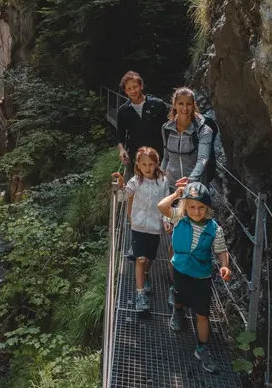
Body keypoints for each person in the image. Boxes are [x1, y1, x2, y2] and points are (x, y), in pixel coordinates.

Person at [157, 181, 231, 374]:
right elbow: (161, 207)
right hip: (180, 270)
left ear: (207, 208)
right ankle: (178, 311)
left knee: (202, 313)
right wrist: (176, 194)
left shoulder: (215, 229)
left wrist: (224, 266)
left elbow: (221, 250)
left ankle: (202, 347)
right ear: (185, 206)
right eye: (191, 207)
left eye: (200, 207)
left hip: (201, 277)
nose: (196, 211)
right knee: (179, 295)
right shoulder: (179, 218)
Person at [160, 87, 214, 304]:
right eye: (180, 104)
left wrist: (191, 180)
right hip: (173, 189)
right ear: (174, 105)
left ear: (194, 105)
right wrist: (160, 182)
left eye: (188, 104)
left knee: (196, 239)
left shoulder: (204, 130)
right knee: (174, 237)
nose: (184, 108)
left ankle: (196, 282)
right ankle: (176, 287)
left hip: (194, 193)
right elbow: (166, 157)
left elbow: (203, 159)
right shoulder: (166, 128)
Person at [112, 147, 169, 313]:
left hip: (155, 227)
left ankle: (145, 275)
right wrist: (121, 185)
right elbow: (122, 197)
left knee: (150, 258)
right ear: (138, 164)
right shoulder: (136, 181)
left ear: (157, 164)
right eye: (143, 164)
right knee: (141, 258)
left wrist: (166, 221)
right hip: (138, 226)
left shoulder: (163, 181)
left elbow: (166, 203)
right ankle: (140, 293)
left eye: (151, 164)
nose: (147, 168)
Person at [116, 71, 169, 180]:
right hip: (136, 159)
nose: (132, 91)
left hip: (159, 156)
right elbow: (120, 135)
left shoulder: (158, 104)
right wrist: (122, 150)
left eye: (135, 87)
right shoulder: (123, 111)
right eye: (129, 89)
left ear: (141, 86)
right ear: (125, 91)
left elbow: (169, 129)